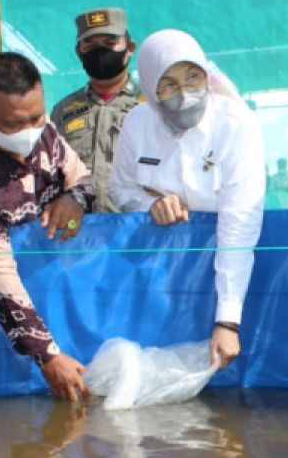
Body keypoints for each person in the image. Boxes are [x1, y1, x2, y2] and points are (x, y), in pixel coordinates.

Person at [0, 53, 94, 401]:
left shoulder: (47, 134)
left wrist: (75, 199)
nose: (29, 132)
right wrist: (47, 355)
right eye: (13, 125)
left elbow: (82, 176)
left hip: (69, 296)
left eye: (36, 118)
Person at [108, 29, 264, 370]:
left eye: (193, 78)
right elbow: (120, 189)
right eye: (169, 84)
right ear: (150, 88)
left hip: (230, 272)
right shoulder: (137, 123)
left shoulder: (237, 125)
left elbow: (239, 224)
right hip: (164, 279)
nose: (185, 94)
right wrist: (148, 204)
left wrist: (227, 321)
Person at [49, 7, 142, 213]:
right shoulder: (62, 111)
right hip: (80, 231)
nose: (100, 52)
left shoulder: (150, 105)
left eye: (110, 44)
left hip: (136, 231)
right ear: (78, 52)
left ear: (129, 47)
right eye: (90, 45)